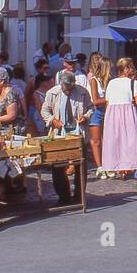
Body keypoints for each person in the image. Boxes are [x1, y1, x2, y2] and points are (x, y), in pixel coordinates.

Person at [42, 71, 93, 205]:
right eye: (66, 89)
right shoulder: (52, 93)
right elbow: (44, 110)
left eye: (71, 89)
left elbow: (91, 108)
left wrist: (86, 117)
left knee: (80, 165)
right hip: (60, 134)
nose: (69, 91)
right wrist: (53, 120)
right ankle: (63, 196)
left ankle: (79, 196)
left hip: (78, 132)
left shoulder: (82, 92)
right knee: (58, 165)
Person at [100, 57, 137, 178]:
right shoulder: (133, 83)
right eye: (131, 67)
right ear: (125, 69)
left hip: (112, 114)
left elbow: (107, 102)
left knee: (116, 140)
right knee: (130, 139)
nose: (133, 69)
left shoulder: (111, 82)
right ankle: (129, 165)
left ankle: (119, 166)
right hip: (128, 112)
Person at [86, 53, 111, 177]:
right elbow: (95, 100)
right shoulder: (94, 80)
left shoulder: (108, 81)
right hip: (97, 112)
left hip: (107, 111)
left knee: (106, 139)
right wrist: (108, 100)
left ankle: (107, 164)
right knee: (96, 141)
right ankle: (99, 166)